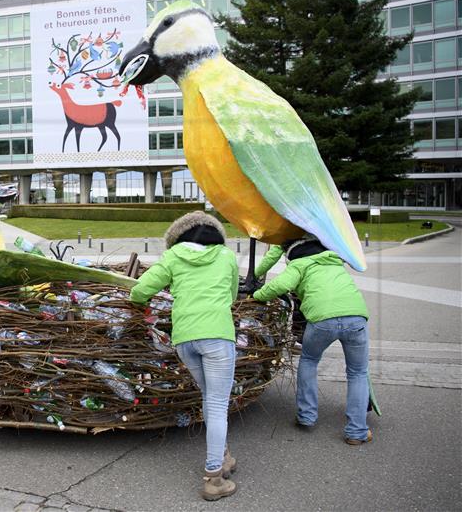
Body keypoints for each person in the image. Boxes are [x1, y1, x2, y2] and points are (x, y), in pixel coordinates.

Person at [129, 211, 238, 501]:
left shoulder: (173, 257)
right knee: (217, 403)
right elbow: (233, 294)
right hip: (217, 335)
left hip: (185, 339)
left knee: (209, 399)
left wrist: (140, 301)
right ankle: (214, 478)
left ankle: (224, 456)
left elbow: (140, 291)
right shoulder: (225, 256)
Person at [252, 236, 371, 445]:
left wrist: (256, 295)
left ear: (291, 254)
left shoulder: (298, 264)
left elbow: (278, 286)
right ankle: (357, 431)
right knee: (358, 372)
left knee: (309, 360)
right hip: (356, 316)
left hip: (321, 320)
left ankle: (306, 416)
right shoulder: (334, 260)